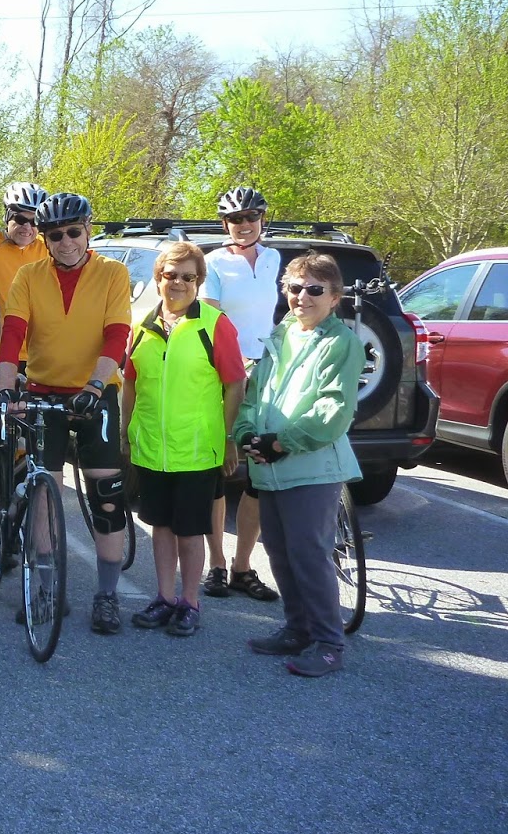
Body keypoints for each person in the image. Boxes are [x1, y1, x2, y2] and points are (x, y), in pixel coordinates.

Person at [0, 192, 133, 634]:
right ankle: (46, 588)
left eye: (74, 232)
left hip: (94, 393)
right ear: (45, 237)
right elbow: (14, 332)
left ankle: (107, 596)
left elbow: (117, 335)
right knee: (43, 493)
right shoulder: (29, 275)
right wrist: (4, 388)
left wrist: (95, 385)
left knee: (107, 495)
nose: (66, 242)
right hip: (43, 392)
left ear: (88, 230)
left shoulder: (113, 273)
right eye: (56, 235)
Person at [234, 253, 363, 677]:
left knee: (309, 555)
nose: (301, 298)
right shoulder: (281, 334)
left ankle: (328, 644)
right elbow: (256, 396)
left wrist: (280, 443)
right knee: (279, 553)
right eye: (293, 288)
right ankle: (296, 629)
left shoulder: (341, 342)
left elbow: (333, 410)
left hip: (311, 465)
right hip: (270, 466)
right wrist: (247, 433)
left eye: (313, 290)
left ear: (335, 297)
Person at [124, 242, 247, 636]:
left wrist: (229, 438)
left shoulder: (214, 324)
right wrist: (127, 431)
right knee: (160, 527)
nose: (178, 283)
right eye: (170, 275)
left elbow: (235, 384)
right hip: (153, 449)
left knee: (191, 531)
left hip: (196, 449)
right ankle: (163, 597)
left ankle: (189, 602)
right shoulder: (142, 326)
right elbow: (130, 383)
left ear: (198, 282)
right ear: (158, 278)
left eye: (187, 277)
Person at [199, 184, 283, 602]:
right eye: (235, 219)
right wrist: (234, 366)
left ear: (262, 220)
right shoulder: (212, 262)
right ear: (224, 224)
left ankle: (242, 566)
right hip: (226, 372)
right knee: (220, 471)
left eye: (251, 217)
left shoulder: (273, 259)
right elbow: (212, 320)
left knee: (259, 474)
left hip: (266, 372)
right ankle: (215, 562)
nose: (244, 226)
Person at [0, 182, 49, 421]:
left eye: (35, 221)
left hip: (39, 354)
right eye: (20, 219)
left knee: (36, 431)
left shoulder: (49, 249)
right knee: (0, 426)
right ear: (7, 216)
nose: (27, 227)